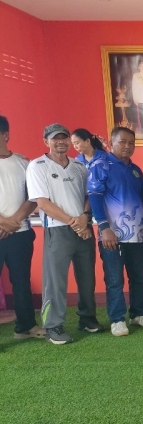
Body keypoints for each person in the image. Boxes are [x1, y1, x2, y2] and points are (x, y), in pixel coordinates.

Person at [26, 123, 102, 344]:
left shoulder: (79, 167)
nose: (61, 142)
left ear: (70, 140)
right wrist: (74, 222)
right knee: (55, 281)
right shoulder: (37, 166)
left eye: (64, 138)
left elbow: (89, 196)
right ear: (46, 141)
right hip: (58, 230)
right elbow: (42, 203)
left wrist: (84, 217)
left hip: (83, 228)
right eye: (55, 138)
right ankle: (53, 326)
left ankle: (87, 318)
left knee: (87, 277)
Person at [87, 126, 143, 336]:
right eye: (122, 142)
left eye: (131, 143)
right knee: (115, 280)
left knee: (139, 277)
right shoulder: (101, 165)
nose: (127, 146)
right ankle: (117, 319)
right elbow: (94, 197)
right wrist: (104, 227)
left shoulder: (136, 170)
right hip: (112, 236)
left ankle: (138, 314)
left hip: (137, 235)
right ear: (111, 143)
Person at [0, 115, 44, 340]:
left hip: (20, 234)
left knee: (21, 282)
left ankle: (26, 326)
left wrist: (13, 221)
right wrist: (3, 222)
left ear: (6, 135)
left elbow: (34, 197)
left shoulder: (24, 163)